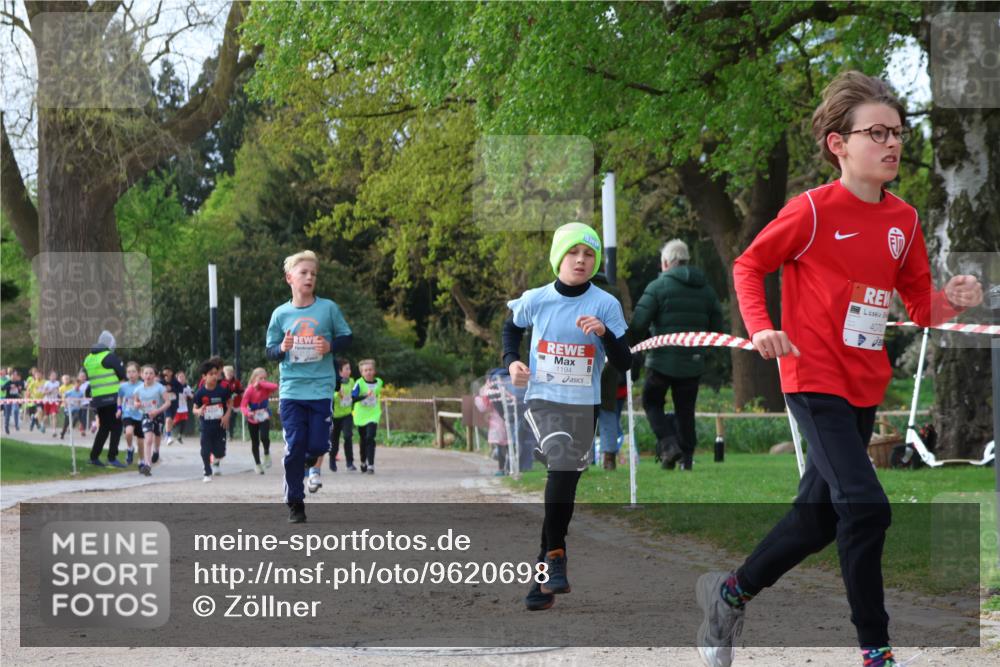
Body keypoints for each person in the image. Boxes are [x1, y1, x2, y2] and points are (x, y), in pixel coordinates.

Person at [695, 71, 985, 667]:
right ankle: (875, 651)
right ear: (839, 144)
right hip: (812, 379)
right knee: (866, 506)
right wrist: (761, 328)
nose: (892, 143)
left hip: (864, 385)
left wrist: (952, 296)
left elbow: (919, 306)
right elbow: (749, 266)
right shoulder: (811, 212)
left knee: (817, 519)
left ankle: (729, 593)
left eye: (898, 132)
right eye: (876, 132)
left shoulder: (903, 221)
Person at [503, 222, 631, 611]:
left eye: (589, 254)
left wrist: (606, 334)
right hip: (544, 399)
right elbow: (511, 329)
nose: (581, 260)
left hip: (584, 403)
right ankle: (556, 554)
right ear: (559, 257)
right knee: (559, 465)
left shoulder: (605, 304)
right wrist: (512, 364)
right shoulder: (537, 298)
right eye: (574, 252)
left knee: (565, 483)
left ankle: (543, 574)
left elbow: (625, 362)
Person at [266, 250, 353, 523]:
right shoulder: (280, 314)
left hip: (320, 387)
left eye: (313, 274)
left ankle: (308, 461)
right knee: (294, 448)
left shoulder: (328, 308)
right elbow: (269, 351)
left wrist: (330, 346)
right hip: (291, 389)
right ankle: (295, 503)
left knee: (317, 444)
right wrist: (282, 348)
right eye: (303, 273)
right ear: (289, 278)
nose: (309, 277)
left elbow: (347, 336)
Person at [629, 238, 724, 470]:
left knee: (651, 402)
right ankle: (687, 459)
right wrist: (701, 350)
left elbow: (639, 324)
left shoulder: (657, 287)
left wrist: (629, 348)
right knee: (685, 410)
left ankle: (669, 446)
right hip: (693, 362)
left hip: (661, 360)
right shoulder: (707, 290)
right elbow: (717, 328)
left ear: (665, 262)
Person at [83, 331, 127, 466]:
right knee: (117, 427)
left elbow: (89, 376)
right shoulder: (109, 356)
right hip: (111, 397)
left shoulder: (88, 358)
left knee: (104, 427)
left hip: (98, 398)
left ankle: (94, 457)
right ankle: (112, 458)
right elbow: (121, 374)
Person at [192, 360, 233, 483]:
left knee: (220, 453)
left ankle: (215, 459)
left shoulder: (223, 390)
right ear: (204, 377)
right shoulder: (200, 393)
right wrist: (198, 410)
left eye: (216, 373)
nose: (214, 376)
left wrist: (227, 416)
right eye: (211, 374)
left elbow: (229, 403)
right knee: (205, 450)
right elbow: (194, 409)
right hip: (206, 426)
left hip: (220, 426)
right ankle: (207, 471)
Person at [475, 368, 511, 476]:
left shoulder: (488, 388)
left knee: (501, 446)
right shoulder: (510, 384)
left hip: (497, 421)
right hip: (512, 418)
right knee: (511, 445)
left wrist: (477, 398)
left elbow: (483, 407)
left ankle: (502, 468)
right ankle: (511, 468)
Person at [242, 367, 278, 474]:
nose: (263, 380)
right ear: (253, 379)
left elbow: (275, 386)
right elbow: (243, 406)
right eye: (260, 378)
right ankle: (258, 464)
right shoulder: (249, 390)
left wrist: (262, 383)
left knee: (264, 437)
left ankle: (266, 453)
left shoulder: (265, 388)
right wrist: (248, 413)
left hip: (264, 416)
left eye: (264, 378)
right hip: (252, 418)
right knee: (255, 442)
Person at [134, 364, 168, 476]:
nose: (148, 375)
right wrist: (137, 404)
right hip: (146, 415)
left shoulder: (160, 388)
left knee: (157, 435)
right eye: (146, 373)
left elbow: (168, 402)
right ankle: (147, 465)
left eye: (151, 373)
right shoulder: (138, 389)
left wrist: (157, 411)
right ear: (141, 375)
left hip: (158, 415)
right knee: (148, 439)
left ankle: (156, 450)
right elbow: (135, 402)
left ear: (155, 375)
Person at [351, 359, 383, 475]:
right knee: (363, 439)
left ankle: (371, 465)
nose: (368, 372)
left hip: (373, 414)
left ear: (374, 371)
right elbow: (353, 398)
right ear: (362, 373)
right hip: (361, 415)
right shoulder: (359, 383)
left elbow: (378, 392)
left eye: (370, 370)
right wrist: (364, 396)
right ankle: (363, 460)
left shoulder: (379, 382)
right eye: (365, 370)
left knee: (370, 437)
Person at [329, 358, 356, 471]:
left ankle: (350, 463)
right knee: (334, 440)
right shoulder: (334, 382)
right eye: (346, 369)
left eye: (349, 368)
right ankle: (332, 460)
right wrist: (337, 395)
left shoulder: (351, 381)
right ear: (339, 371)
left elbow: (354, 394)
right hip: (335, 416)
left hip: (347, 414)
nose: (349, 371)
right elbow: (331, 396)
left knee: (348, 436)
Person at [118, 362, 144, 465]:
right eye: (129, 372)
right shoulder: (123, 386)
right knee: (128, 433)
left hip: (141, 414)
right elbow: (119, 397)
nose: (131, 374)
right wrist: (119, 408)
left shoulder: (143, 385)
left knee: (140, 440)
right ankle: (130, 448)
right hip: (127, 413)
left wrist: (141, 404)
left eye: (133, 372)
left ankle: (141, 460)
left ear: (138, 373)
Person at [160, 366, 184, 446]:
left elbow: (181, 390)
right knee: (168, 419)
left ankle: (166, 434)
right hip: (166, 404)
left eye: (168, 372)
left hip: (174, 404)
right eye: (164, 372)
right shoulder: (161, 382)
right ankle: (168, 436)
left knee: (170, 421)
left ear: (171, 373)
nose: (166, 374)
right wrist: (164, 389)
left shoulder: (175, 381)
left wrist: (172, 389)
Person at [221, 365, 244, 442]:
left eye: (231, 372)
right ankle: (226, 433)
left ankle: (230, 434)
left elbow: (241, 392)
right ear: (224, 373)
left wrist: (244, 401)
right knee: (226, 419)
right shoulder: (222, 382)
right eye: (227, 373)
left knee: (231, 419)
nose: (229, 374)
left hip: (235, 405)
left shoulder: (236, 382)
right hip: (225, 405)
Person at [173, 370, 193, 444]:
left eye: (183, 376)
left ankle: (179, 436)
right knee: (175, 422)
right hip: (177, 408)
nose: (182, 378)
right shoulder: (174, 386)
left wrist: (189, 396)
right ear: (177, 378)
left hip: (184, 407)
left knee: (184, 422)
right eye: (180, 377)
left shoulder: (187, 387)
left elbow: (191, 396)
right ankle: (168, 432)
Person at [2, 369, 24, 434]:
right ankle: (6, 427)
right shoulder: (8, 382)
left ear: (17, 376)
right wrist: (9, 386)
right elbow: (2, 388)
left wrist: (20, 388)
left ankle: (16, 425)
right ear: (10, 375)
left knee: (16, 410)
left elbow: (23, 387)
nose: (14, 376)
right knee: (7, 414)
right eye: (13, 375)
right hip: (8, 400)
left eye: (16, 375)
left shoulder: (19, 382)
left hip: (15, 399)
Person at [41, 370, 62, 435]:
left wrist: (60, 395)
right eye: (52, 376)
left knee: (54, 415)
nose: (54, 377)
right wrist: (50, 391)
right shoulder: (47, 383)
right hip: (47, 401)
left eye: (55, 375)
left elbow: (58, 391)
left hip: (54, 401)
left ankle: (54, 431)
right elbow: (43, 392)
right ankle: (42, 423)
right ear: (49, 377)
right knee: (46, 416)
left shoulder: (57, 383)